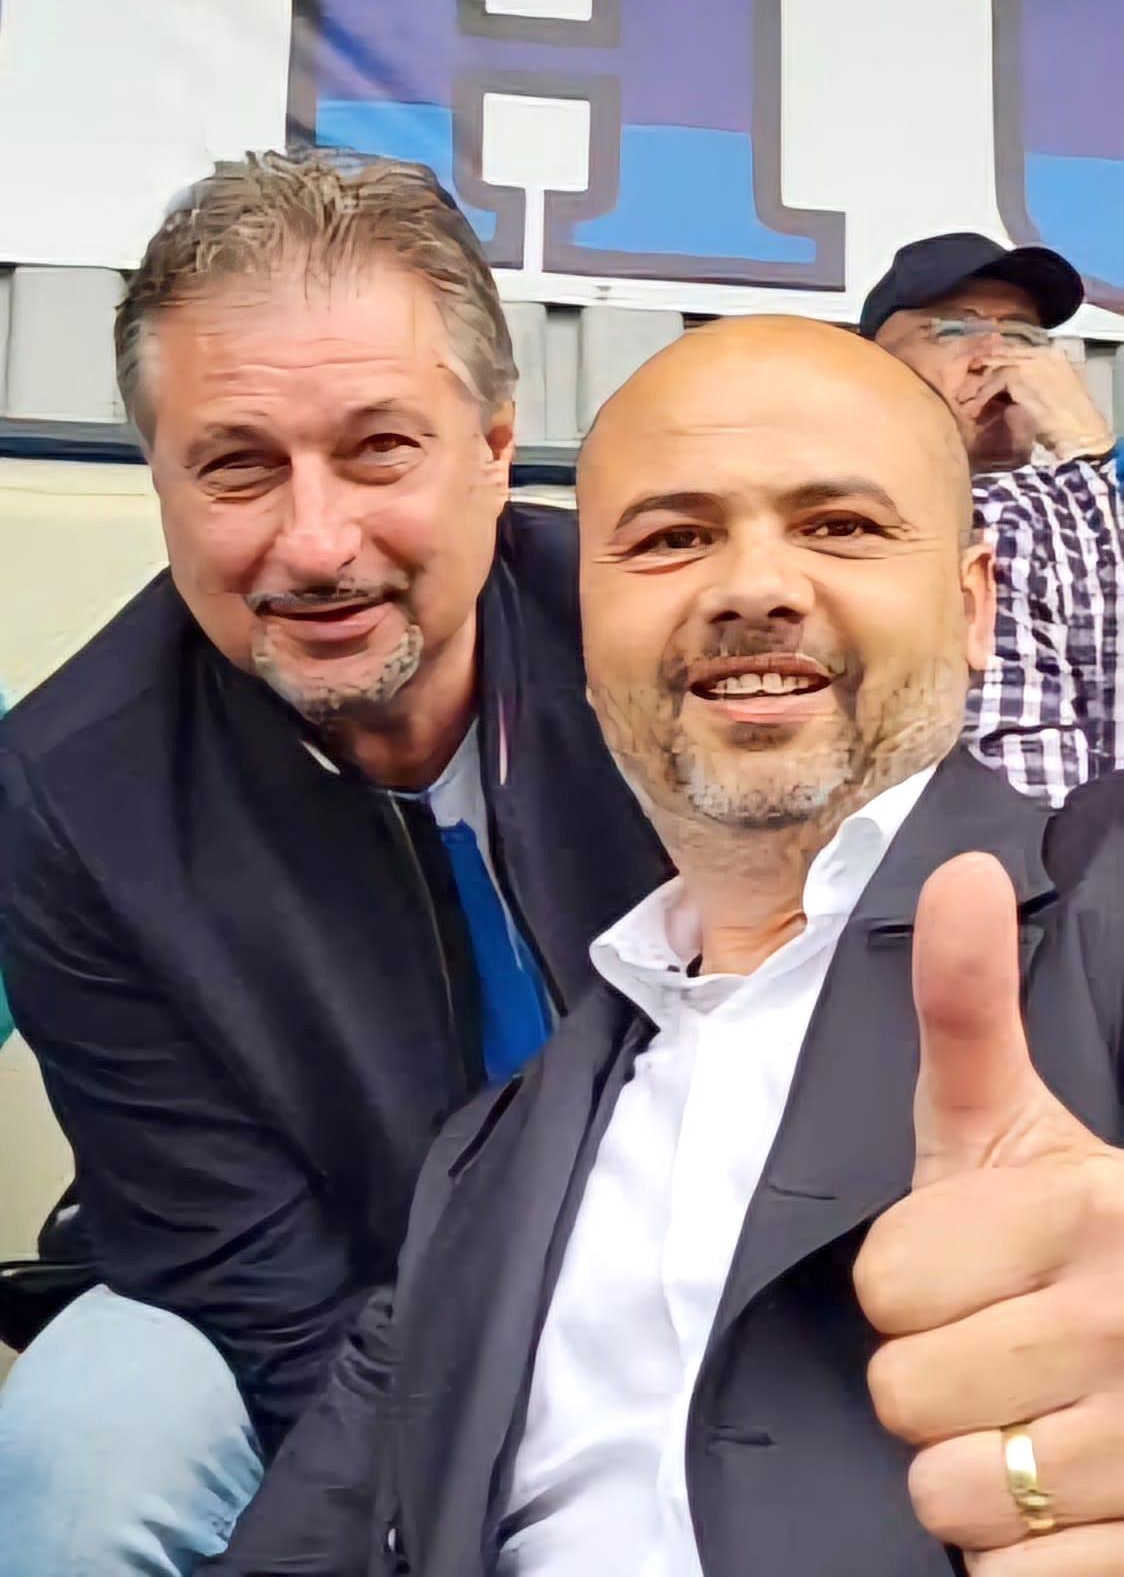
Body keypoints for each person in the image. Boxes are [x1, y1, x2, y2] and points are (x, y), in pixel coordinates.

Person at [211, 315, 1124, 1576]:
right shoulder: (489, 1158)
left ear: (971, 605)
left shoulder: (1097, 909)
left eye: (838, 526)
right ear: (586, 629)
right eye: (671, 538)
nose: (752, 585)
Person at [0, 151, 667, 1576]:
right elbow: (239, 1259)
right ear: (161, 481)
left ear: (495, 446)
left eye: (378, 450)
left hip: (674, 1277)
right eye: (238, 465)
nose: (315, 544)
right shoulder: (69, 794)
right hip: (314, 1293)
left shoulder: (664, 650)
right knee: (84, 1451)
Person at [862, 231, 1122, 807]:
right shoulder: (851, 520)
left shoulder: (1083, 492)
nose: (996, 357)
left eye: (1025, 335)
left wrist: (1090, 450)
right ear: (875, 366)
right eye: (956, 329)